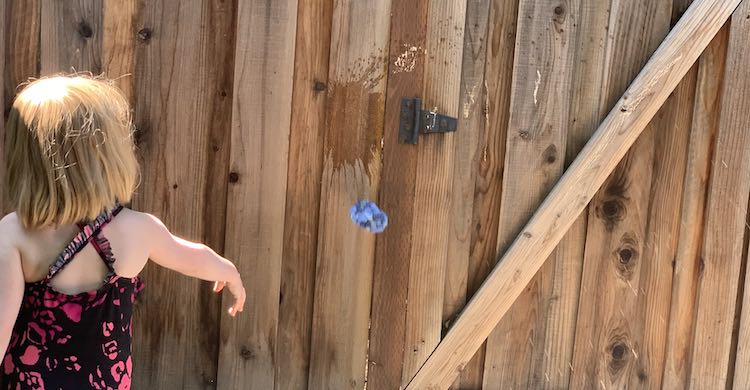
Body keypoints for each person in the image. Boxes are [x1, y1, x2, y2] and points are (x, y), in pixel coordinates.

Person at [0, 75, 246, 389]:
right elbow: (191, 257)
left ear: (26, 160)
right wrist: (228, 271)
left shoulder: (14, 234)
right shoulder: (137, 229)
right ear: (108, 157)